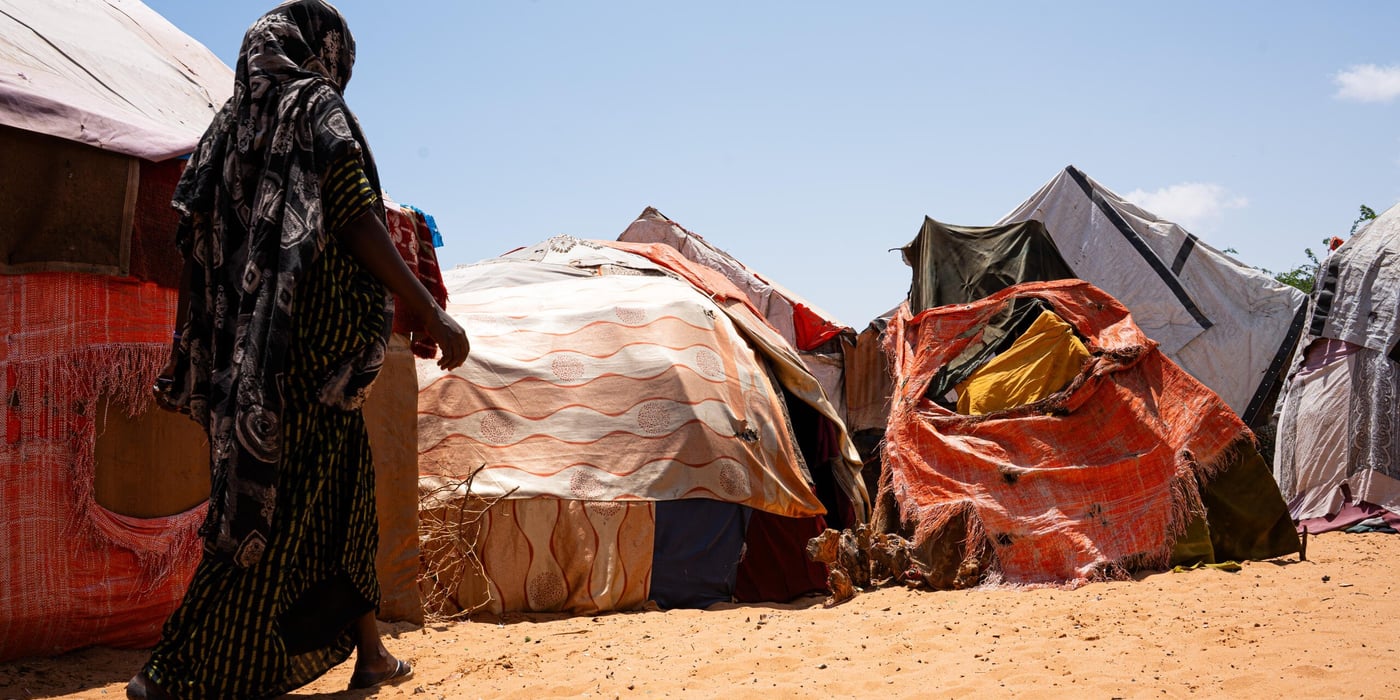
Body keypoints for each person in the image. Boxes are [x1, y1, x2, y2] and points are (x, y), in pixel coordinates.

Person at [126, 1, 469, 697]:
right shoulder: (314, 106)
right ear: (324, 51)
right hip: (312, 352)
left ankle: (371, 654)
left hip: (254, 357)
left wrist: (189, 354)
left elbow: (190, 239)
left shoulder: (228, 128)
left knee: (344, 502)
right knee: (265, 517)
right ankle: (172, 671)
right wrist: (429, 309)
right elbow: (353, 211)